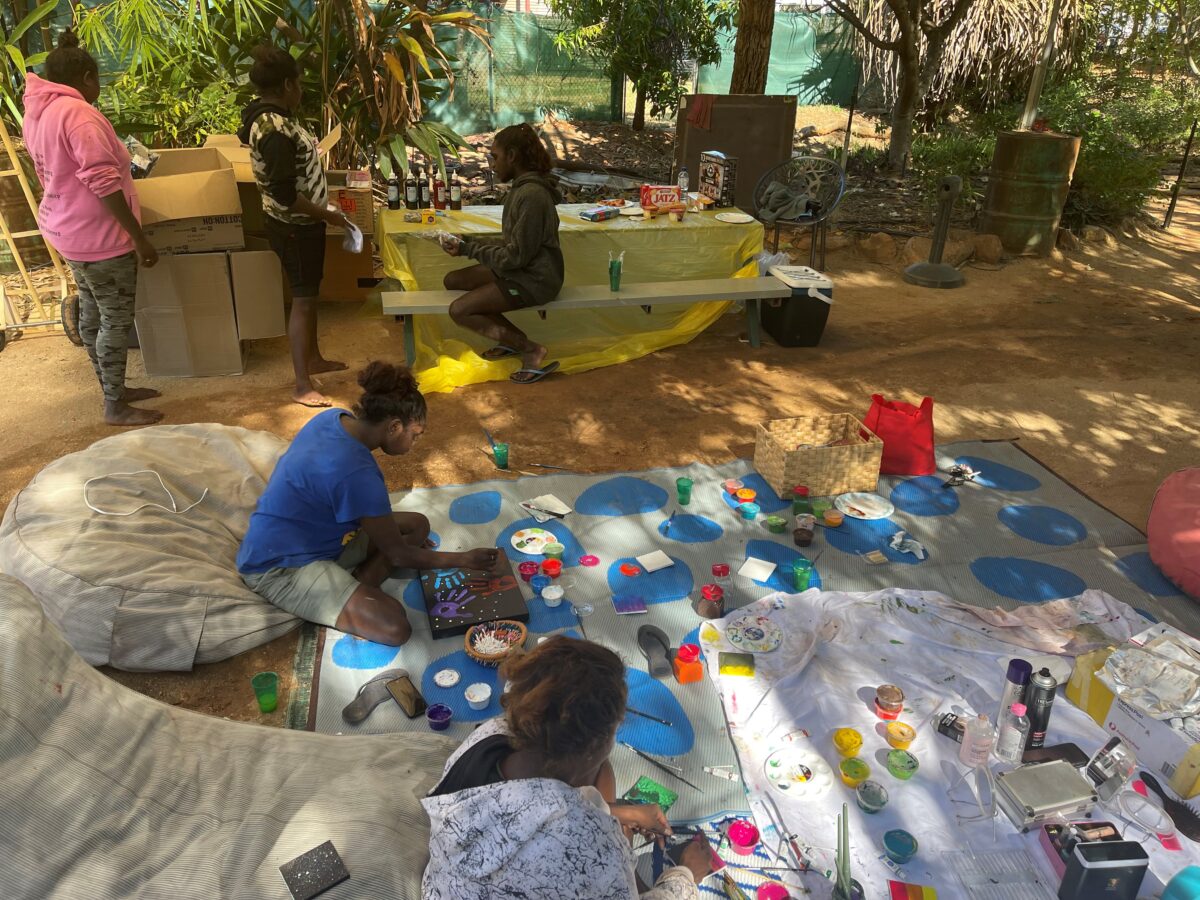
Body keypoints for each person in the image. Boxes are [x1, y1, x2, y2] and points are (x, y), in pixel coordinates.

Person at [422, 636, 711, 899]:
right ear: (591, 749)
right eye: (615, 730)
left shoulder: (488, 736)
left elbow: (531, 807)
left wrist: (615, 811)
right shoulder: (592, 850)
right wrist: (684, 876)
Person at [237, 361, 498, 645]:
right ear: (395, 427)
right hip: (281, 565)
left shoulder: (333, 418)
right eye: (415, 434)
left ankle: (356, 584)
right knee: (394, 625)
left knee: (417, 525)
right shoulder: (357, 474)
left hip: (314, 535)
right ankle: (353, 589)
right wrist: (465, 560)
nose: (414, 444)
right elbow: (399, 556)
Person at [22, 30, 162, 426]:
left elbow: (48, 170)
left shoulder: (39, 112)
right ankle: (115, 404)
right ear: (86, 77)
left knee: (92, 314)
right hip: (101, 237)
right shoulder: (80, 115)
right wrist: (138, 237)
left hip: (67, 230)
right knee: (114, 320)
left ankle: (111, 387)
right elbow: (102, 182)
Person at [238, 45, 350, 408]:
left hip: (302, 222)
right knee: (302, 300)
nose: (301, 91)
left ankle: (313, 358)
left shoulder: (275, 119)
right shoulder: (273, 129)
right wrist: (327, 215)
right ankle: (302, 384)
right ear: (287, 85)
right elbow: (284, 193)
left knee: (309, 293)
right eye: (299, 84)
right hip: (293, 225)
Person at [440, 123, 563, 384]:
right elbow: (514, 244)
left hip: (535, 280)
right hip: (523, 269)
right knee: (453, 281)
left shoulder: (532, 195)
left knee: (460, 310)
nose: (492, 164)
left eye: (495, 157)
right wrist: (469, 242)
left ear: (513, 155)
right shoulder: (523, 188)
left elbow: (514, 257)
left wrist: (468, 249)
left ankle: (530, 349)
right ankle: (509, 340)